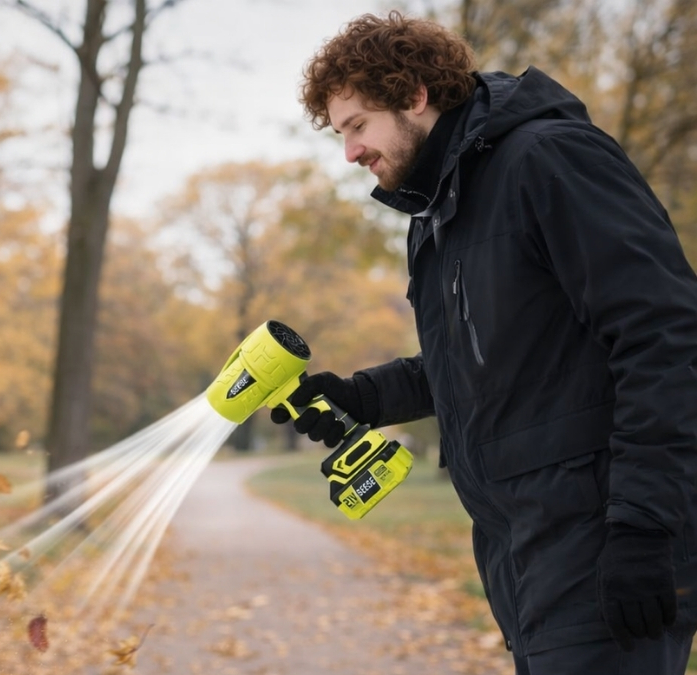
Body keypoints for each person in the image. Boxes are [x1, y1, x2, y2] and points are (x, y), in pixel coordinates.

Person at [273, 11, 697, 674]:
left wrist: (643, 526)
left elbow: (666, 333)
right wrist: (362, 395)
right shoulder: (441, 212)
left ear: (414, 95)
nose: (349, 152)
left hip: (606, 545)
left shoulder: (549, 158)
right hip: (525, 559)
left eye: (357, 126)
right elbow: (486, 359)